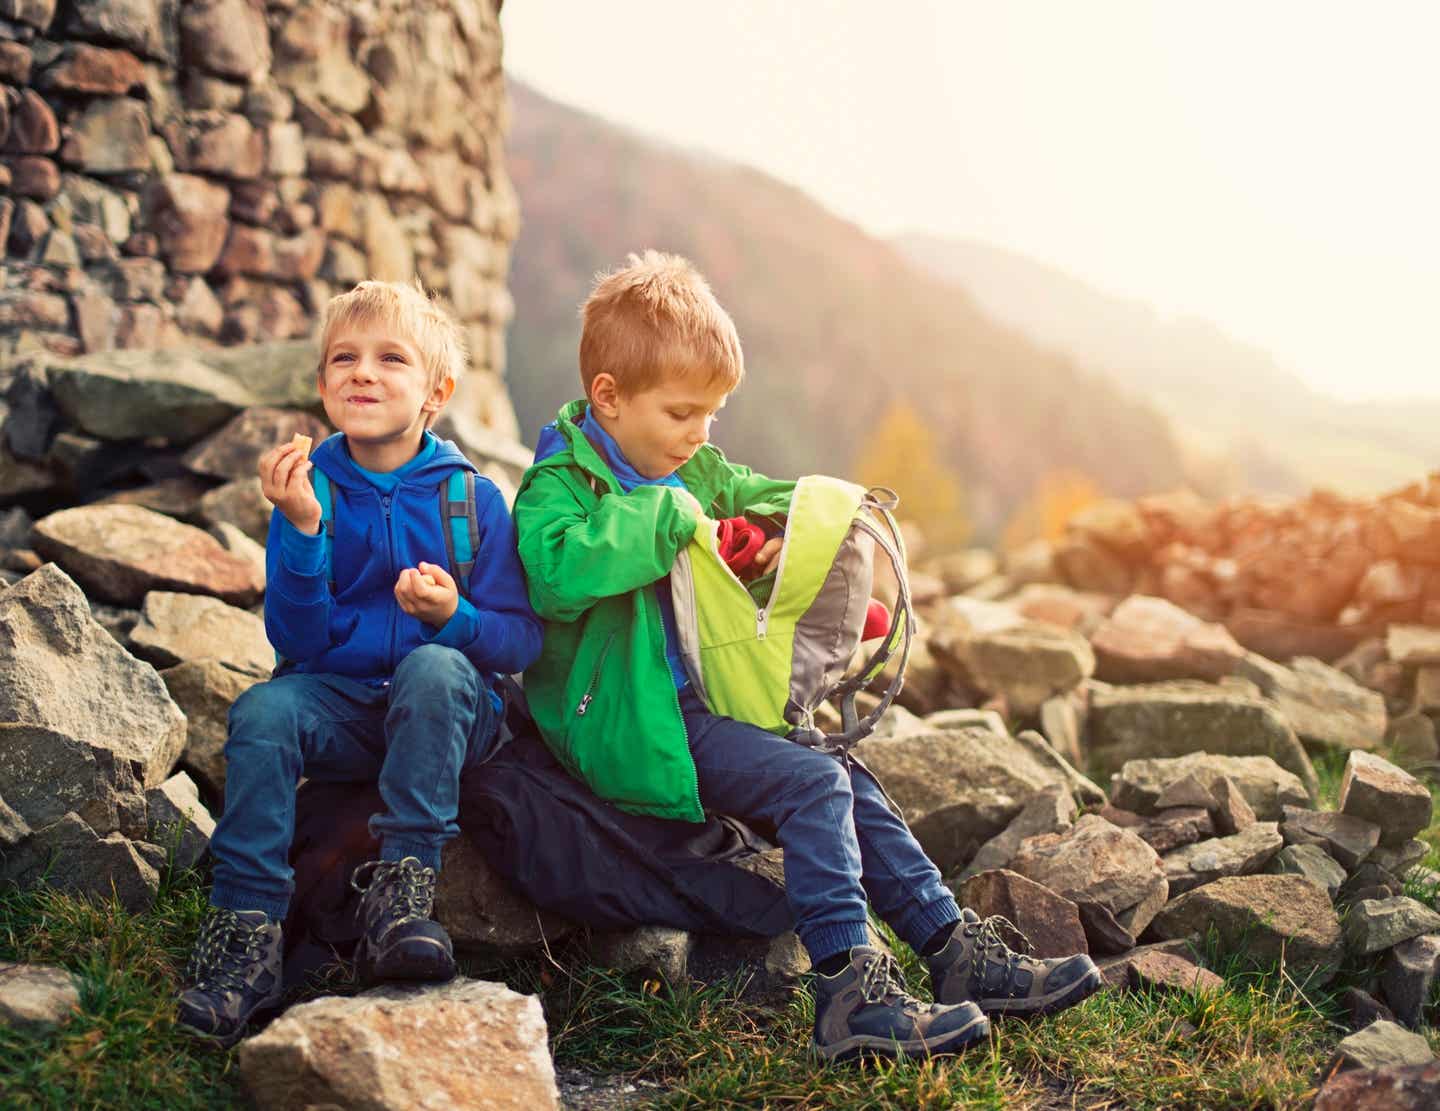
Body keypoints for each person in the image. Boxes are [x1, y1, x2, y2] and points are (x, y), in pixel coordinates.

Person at [514, 251, 1101, 1061]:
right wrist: (670, 521)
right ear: (607, 399)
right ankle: (849, 991)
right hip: (630, 722)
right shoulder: (560, 487)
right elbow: (555, 576)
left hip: (702, 705)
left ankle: (953, 948)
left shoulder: (696, 467)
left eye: (713, 415)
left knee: (843, 771)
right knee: (812, 782)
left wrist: (800, 525)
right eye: (682, 413)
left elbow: (758, 493)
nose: (699, 435)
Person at [177, 280, 543, 1046]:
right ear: (320, 384)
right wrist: (305, 531)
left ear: (435, 393)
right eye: (343, 357)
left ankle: (401, 896)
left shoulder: (472, 500)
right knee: (264, 711)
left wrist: (455, 618)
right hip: (343, 706)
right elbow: (297, 643)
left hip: (446, 713)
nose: (362, 372)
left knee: (436, 668)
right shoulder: (311, 492)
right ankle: (244, 936)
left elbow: (519, 641)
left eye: (390, 358)